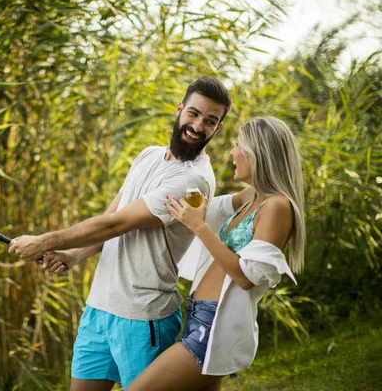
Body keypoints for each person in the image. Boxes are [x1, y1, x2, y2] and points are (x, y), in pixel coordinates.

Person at [8, 76, 232, 391]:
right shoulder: (148, 155)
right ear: (180, 108)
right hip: (99, 308)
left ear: (217, 128)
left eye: (210, 121)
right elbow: (111, 216)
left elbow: (118, 225)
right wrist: (74, 254)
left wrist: (44, 241)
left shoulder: (192, 180)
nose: (198, 126)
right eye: (193, 114)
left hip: (144, 317)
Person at [127, 116, 306, 391]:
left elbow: (247, 277)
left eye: (237, 146)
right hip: (199, 316)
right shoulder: (251, 197)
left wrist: (199, 227)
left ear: (258, 153)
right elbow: (203, 204)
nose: (232, 153)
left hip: (213, 327)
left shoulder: (277, 206)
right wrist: (193, 167)